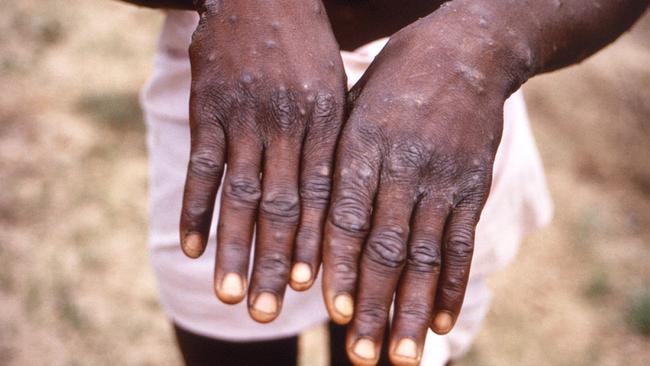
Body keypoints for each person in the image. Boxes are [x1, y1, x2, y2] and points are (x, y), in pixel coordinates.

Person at [119, 1, 648, 365]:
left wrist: (486, 39)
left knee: (396, 338)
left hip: (446, 97)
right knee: (226, 330)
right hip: (244, 70)